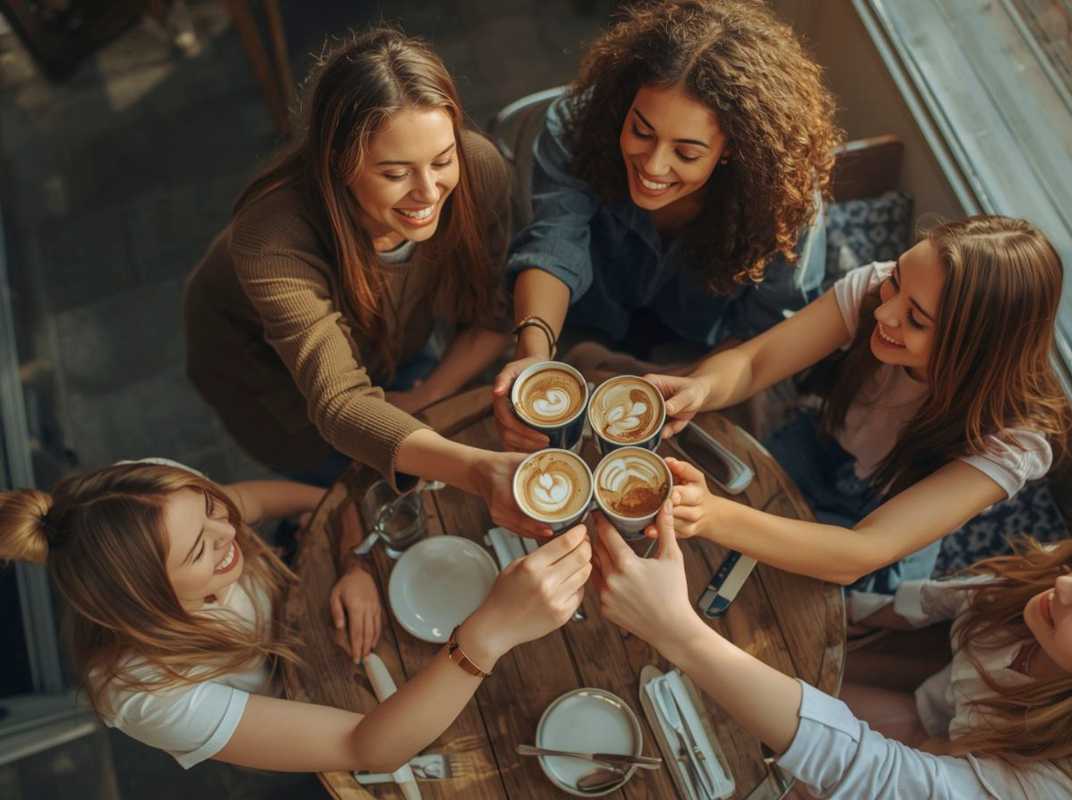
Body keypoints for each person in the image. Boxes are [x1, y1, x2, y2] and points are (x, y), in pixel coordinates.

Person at [0, 460, 590, 770]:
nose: (228, 528)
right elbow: (367, 750)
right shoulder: (144, 692)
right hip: (296, 706)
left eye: (209, 508)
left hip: (313, 599)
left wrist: (348, 560)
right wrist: (488, 634)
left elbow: (280, 502)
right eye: (203, 551)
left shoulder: (150, 497)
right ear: (153, 600)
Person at [183, 28, 538, 533]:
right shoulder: (272, 239)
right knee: (344, 492)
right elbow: (337, 403)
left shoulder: (479, 168)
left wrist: (423, 396)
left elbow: (494, 315)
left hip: (394, 337)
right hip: (277, 387)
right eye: (395, 174)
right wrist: (479, 471)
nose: (428, 193)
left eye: (441, 160)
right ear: (337, 164)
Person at [593, 506, 1072, 799]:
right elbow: (942, 600)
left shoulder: (1061, 786)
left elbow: (882, 777)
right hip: (942, 721)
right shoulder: (1055, 583)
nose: (1067, 586)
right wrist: (850, 616)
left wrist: (678, 630)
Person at [648, 215, 1072, 616]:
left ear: (976, 349)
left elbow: (861, 551)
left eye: (916, 319)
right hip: (816, 447)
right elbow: (756, 362)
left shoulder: (1012, 438)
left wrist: (713, 514)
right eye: (896, 282)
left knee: (767, 612)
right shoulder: (877, 289)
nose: (884, 313)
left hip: (881, 518)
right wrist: (702, 387)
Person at [493, 0, 841, 451]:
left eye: (688, 153)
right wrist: (535, 356)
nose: (654, 166)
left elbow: (767, 330)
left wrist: (699, 385)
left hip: (704, 361)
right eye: (641, 132)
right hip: (579, 330)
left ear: (734, 148)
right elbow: (554, 241)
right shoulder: (576, 127)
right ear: (624, 106)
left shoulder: (783, 201)